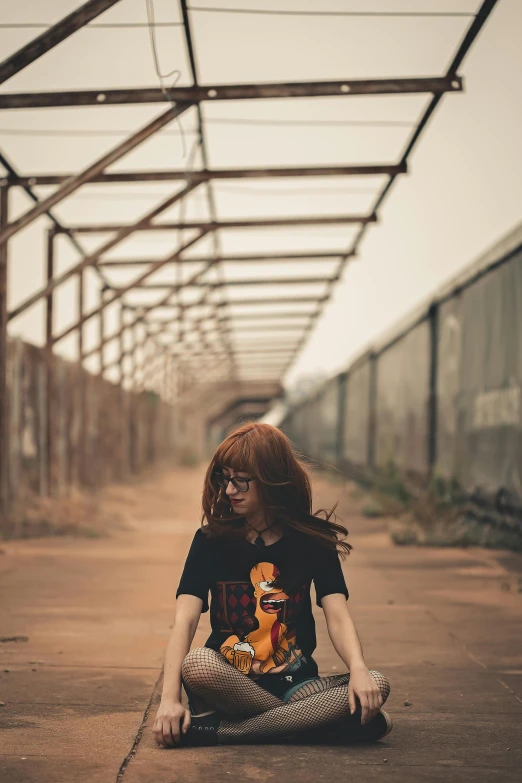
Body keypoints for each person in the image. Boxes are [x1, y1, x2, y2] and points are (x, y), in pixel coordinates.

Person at [153, 422, 391, 748]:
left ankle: (222, 732)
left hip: (296, 682)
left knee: (376, 682)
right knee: (197, 664)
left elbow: (337, 615)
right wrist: (170, 699)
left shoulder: (312, 541)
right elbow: (185, 620)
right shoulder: (209, 541)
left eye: (241, 480)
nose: (229, 490)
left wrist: (359, 668)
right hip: (229, 682)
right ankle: (316, 722)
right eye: (225, 478)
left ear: (270, 480)